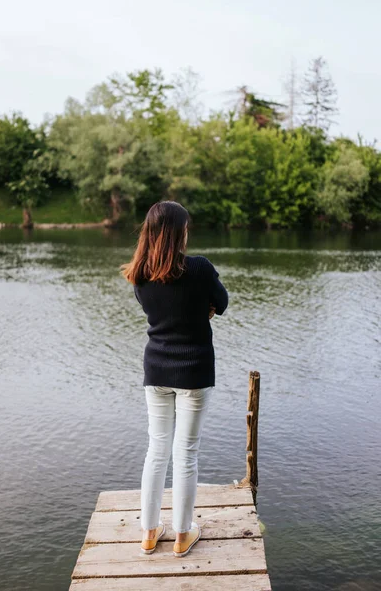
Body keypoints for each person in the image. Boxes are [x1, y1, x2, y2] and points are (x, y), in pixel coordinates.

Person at [121, 200, 228, 558]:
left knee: (157, 450)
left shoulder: (139, 273)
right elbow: (222, 301)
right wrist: (204, 310)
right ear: (178, 232)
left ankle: (149, 533)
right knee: (186, 454)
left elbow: (163, 310)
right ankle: (183, 535)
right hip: (194, 372)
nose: (188, 232)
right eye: (186, 227)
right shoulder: (198, 268)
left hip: (156, 372)